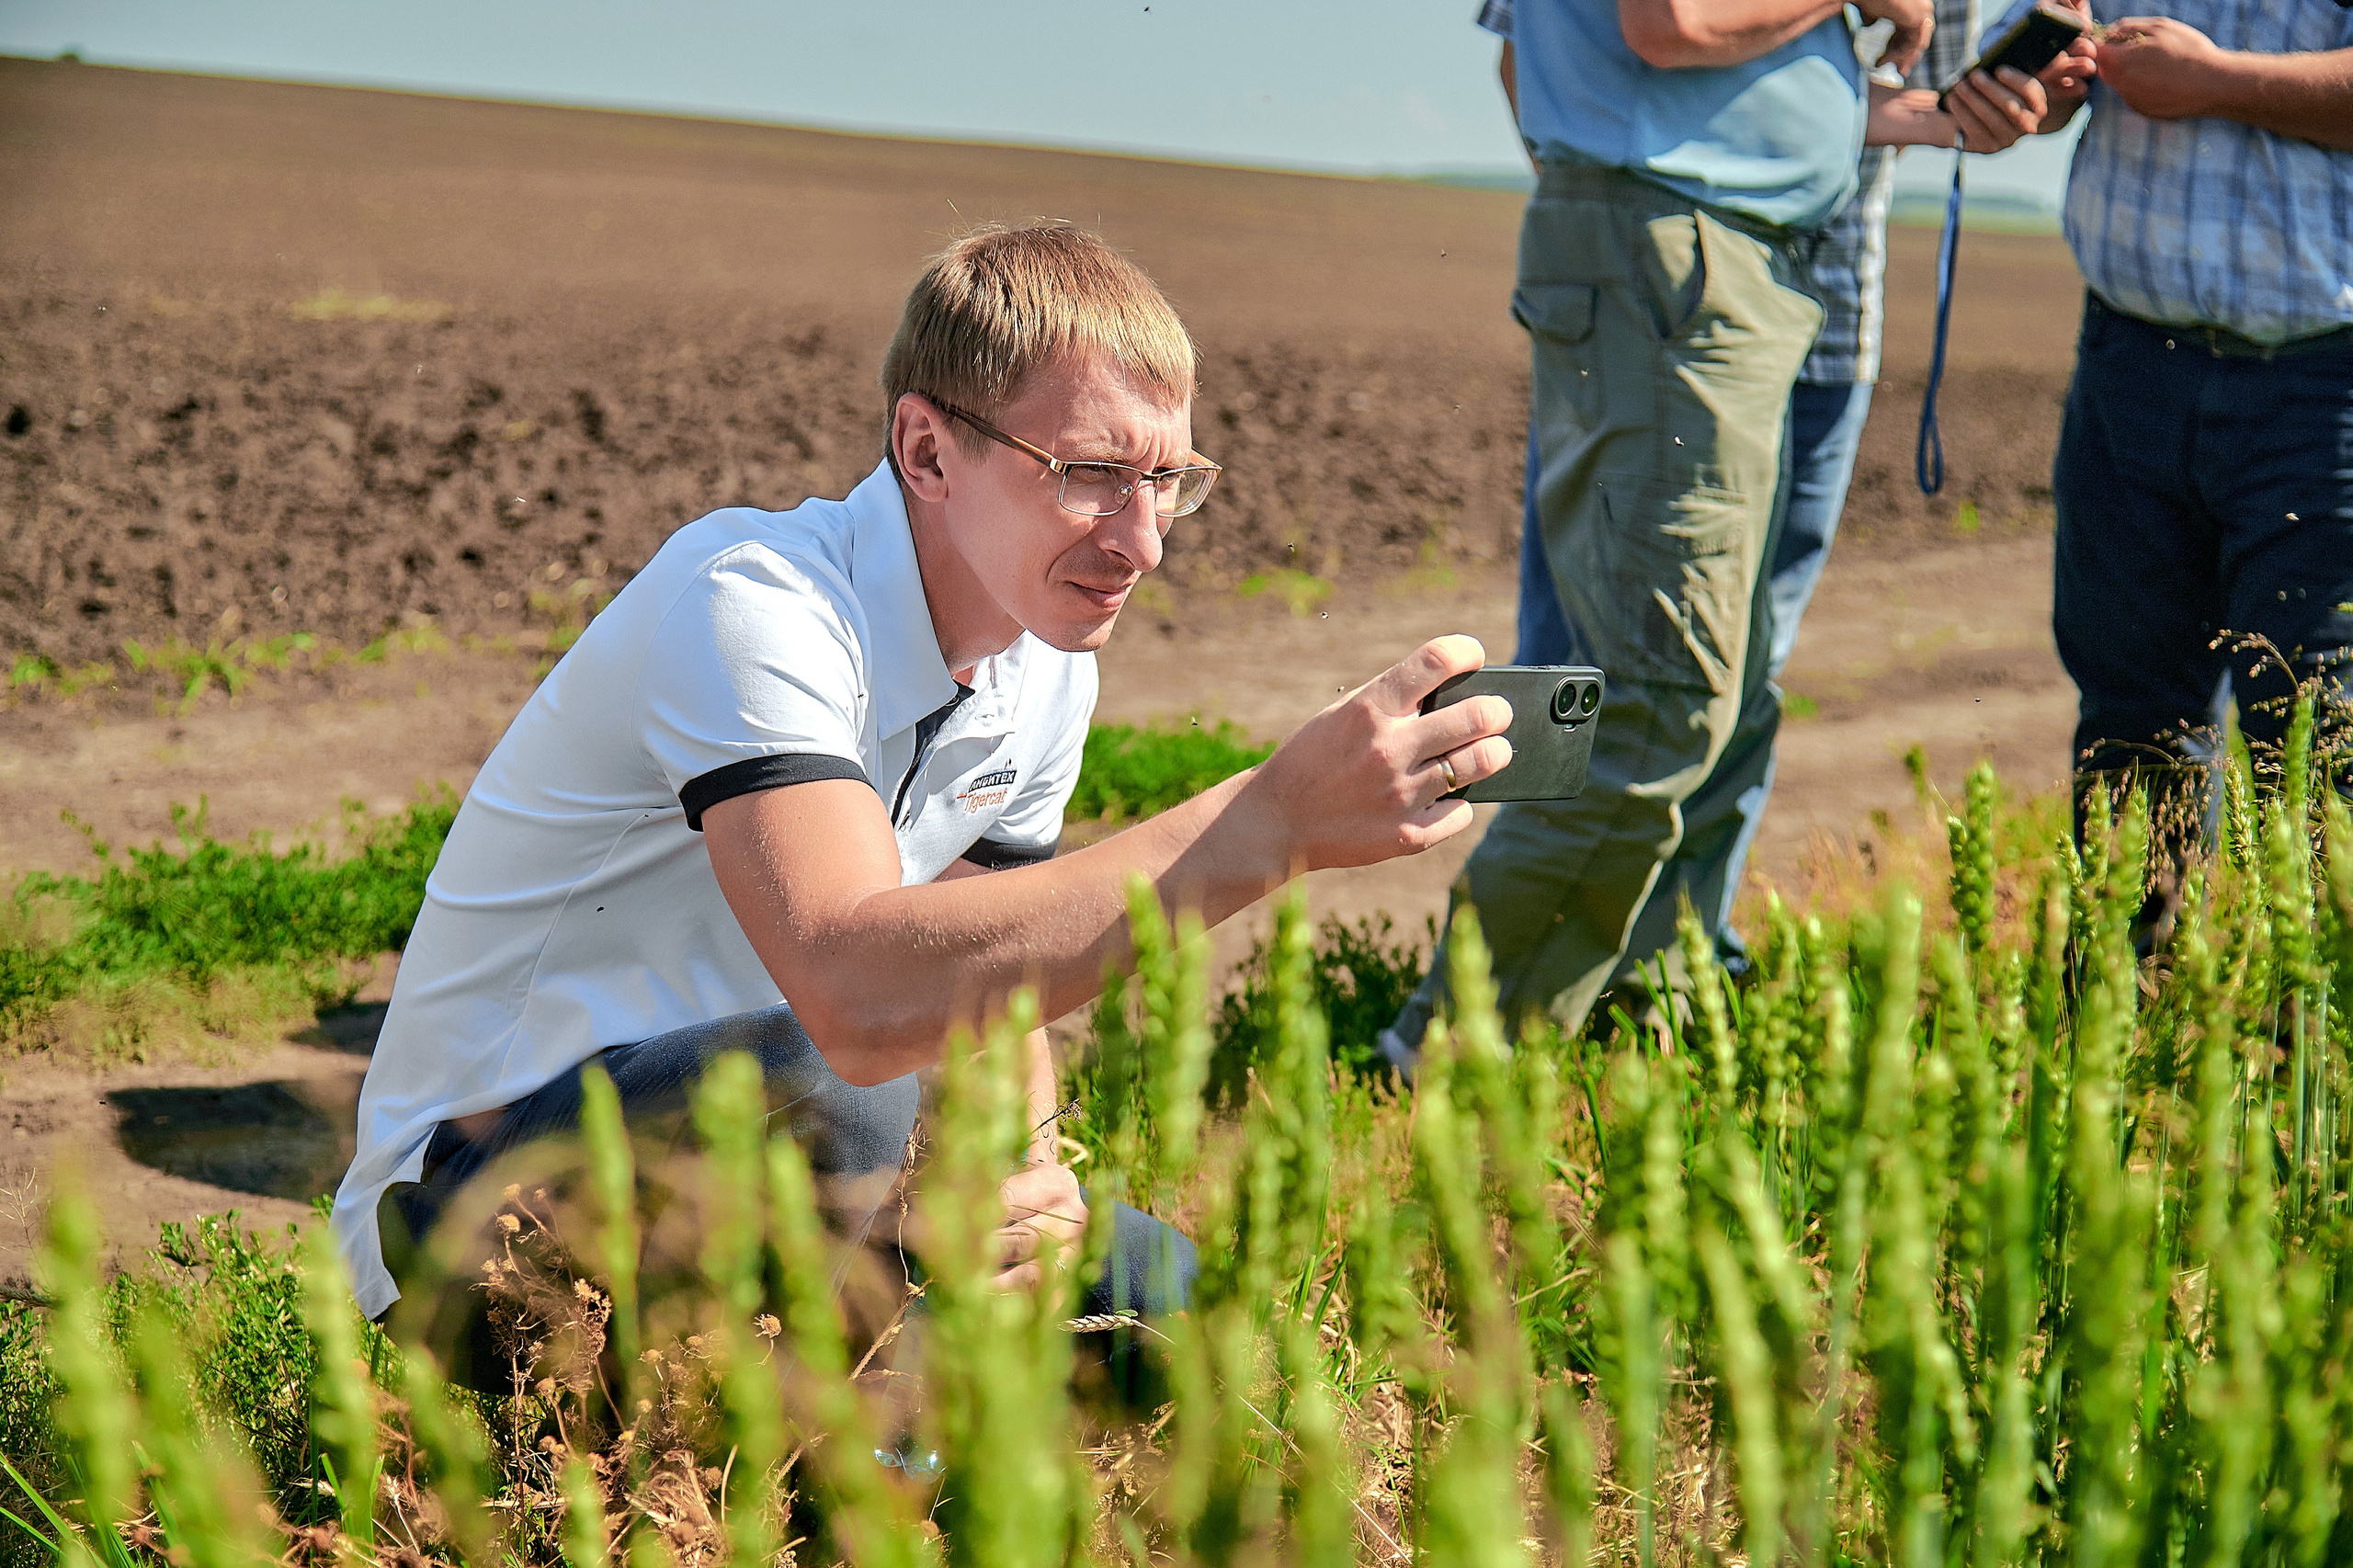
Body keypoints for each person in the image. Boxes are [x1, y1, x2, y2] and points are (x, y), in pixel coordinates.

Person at [331, 223, 1518, 1325]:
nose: (1142, 540)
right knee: (851, 1086)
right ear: (926, 449)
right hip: (466, 1215)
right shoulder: (751, 601)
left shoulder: (1041, 662)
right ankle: (864, 1474)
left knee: (1181, 1310)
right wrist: (1271, 820)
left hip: (781, 1170)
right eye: (1093, 471)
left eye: (1169, 481)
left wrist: (1028, 1168)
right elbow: (856, 988)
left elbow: (982, 976)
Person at [1383, 0, 2086, 1063]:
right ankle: (1458, 1064)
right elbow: (1674, 20)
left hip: (1713, 265)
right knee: (1653, 702)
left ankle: (1640, 998)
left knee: (1713, 686)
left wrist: (1935, 114)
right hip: (1678, 264)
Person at [2010, 0, 2353, 934]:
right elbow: (2034, 66)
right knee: (2129, 725)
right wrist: (2035, 88)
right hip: (2128, 362)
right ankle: (2125, 1044)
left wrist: (2212, 83)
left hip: (2323, 382)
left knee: (2320, 734)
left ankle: (2314, 1055)